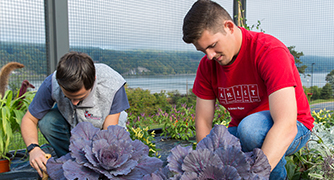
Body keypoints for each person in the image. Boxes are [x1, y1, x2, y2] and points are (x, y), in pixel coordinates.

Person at [182, 0, 314, 179]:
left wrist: (255, 176)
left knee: (251, 130)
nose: (210, 56)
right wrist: (206, 169)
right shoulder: (207, 65)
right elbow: (203, 124)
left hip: (295, 126)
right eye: (203, 50)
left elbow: (286, 125)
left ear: (229, 27)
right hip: (244, 128)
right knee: (217, 143)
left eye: (213, 45)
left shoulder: (269, 51)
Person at [21, 51, 130, 177]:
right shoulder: (51, 83)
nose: (74, 103)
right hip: (73, 126)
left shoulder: (112, 85)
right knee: (47, 121)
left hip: (104, 131)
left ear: (93, 81)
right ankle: (69, 163)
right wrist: (33, 149)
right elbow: (29, 119)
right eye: (69, 97)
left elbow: (109, 133)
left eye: (80, 97)